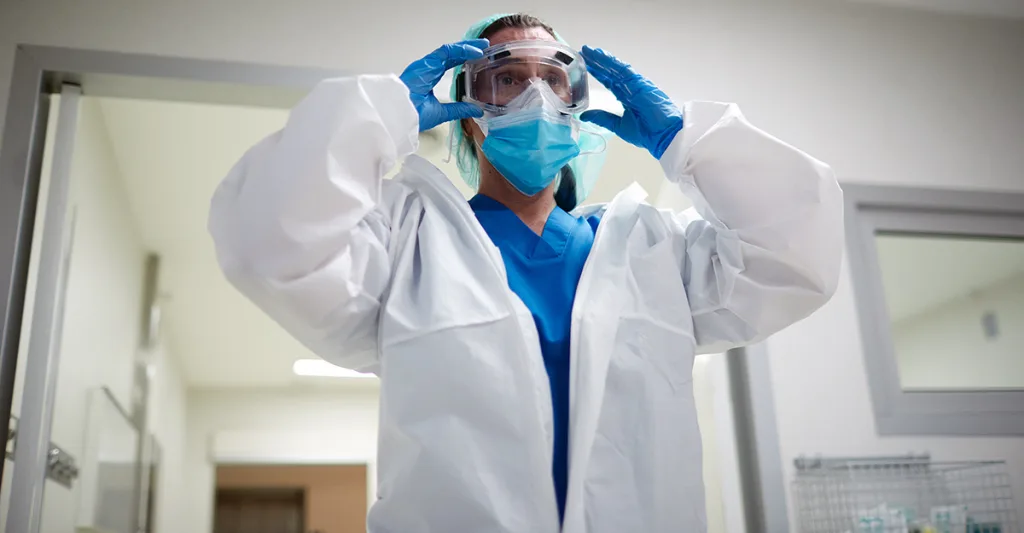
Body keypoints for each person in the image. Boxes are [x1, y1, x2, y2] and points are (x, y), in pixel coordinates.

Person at [208, 12, 843, 533]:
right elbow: (271, 244)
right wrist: (381, 114)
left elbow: (794, 256)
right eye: (506, 78)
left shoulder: (652, 249)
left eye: (555, 79)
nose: (536, 95)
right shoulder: (405, 244)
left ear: (577, 102)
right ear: (467, 109)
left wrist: (687, 141)